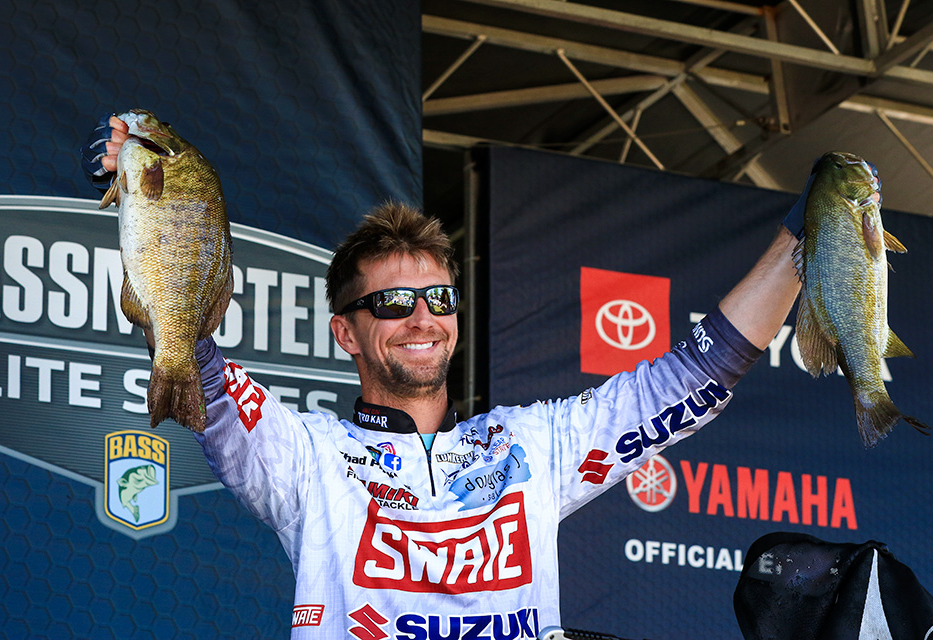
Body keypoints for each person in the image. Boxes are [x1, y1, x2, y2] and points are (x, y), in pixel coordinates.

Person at [83, 114, 803, 639]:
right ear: (346, 332)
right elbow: (196, 364)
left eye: (439, 298)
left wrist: (805, 241)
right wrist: (153, 201)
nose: (423, 317)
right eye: (394, 303)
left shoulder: (532, 446)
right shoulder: (307, 457)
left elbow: (692, 377)